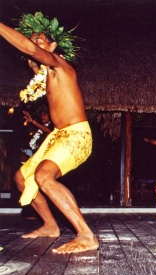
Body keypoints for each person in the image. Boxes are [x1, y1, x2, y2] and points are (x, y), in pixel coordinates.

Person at [0, 12, 98, 252]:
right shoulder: (47, 73)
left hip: (76, 135)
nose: (34, 43)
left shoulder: (61, 64)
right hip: (57, 136)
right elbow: (33, 61)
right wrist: (33, 60)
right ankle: (50, 225)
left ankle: (86, 235)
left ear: (53, 46)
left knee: (44, 176)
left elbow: (32, 52)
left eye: (39, 39)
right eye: (32, 39)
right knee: (22, 178)